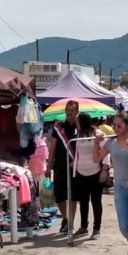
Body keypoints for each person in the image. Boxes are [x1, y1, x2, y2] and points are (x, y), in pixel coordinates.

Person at [93, 112, 128, 255]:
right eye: (114, 124)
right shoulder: (110, 143)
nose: (116, 127)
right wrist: (96, 143)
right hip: (120, 188)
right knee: (124, 226)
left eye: (119, 125)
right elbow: (96, 159)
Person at [71, 113, 107, 239]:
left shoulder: (97, 133)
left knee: (96, 201)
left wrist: (104, 169)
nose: (76, 124)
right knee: (83, 201)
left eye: (77, 121)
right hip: (81, 172)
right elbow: (77, 154)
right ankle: (83, 227)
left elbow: (105, 152)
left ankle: (97, 228)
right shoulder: (78, 135)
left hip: (95, 172)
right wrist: (74, 169)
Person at [46, 100, 79, 233]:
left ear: (77, 112)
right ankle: (65, 218)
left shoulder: (80, 127)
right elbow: (52, 147)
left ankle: (71, 221)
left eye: (72, 111)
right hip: (59, 165)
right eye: (67, 110)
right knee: (60, 195)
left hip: (74, 166)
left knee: (73, 196)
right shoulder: (58, 127)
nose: (69, 113)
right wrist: (48, 166)